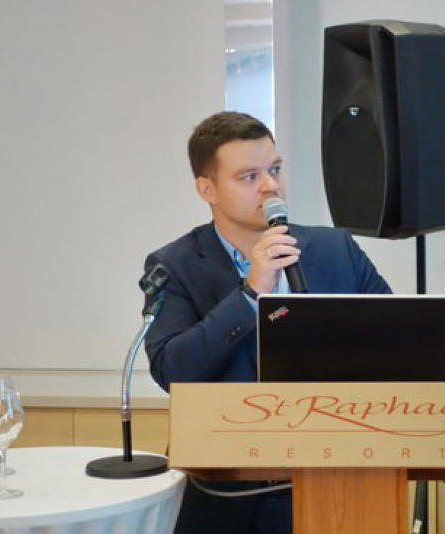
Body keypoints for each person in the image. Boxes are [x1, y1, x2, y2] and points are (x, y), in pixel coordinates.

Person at [142, 111, 391, 534]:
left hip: (343, 485)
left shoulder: (336, 249)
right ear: (207, 190)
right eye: (249, 176)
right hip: (231, 495)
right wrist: (251, 293)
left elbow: (403, 338)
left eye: (274, 169)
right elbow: (172, 370)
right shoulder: (175, 265)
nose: (270, 186)